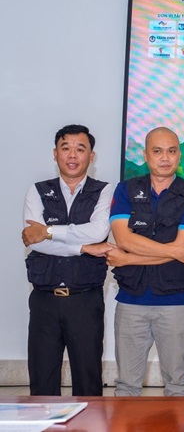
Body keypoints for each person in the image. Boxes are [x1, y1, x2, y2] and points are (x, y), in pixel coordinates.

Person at [107, 127, 184, 396]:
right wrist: (173, 252)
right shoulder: (126, 189)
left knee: (177, 384)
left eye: (171, 151)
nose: (165, 158)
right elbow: (123, 238)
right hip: (130, 300)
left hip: (174, 302)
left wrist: (127, 258)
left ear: (179, 155)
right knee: (127, 385)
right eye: (157, 151)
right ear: (145, 155)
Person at [21, 124, 113, 395]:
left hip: (85, 300)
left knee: (88, 382)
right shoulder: (37, 190)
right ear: (55, 153)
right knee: (42, 382)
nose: (72, 155)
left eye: (80, 149)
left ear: (91, 156)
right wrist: (84, 248)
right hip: (44, 300)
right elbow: (34, 240)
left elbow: (98, 231)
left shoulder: (105, 191)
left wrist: (49, 231)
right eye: (66, 148)